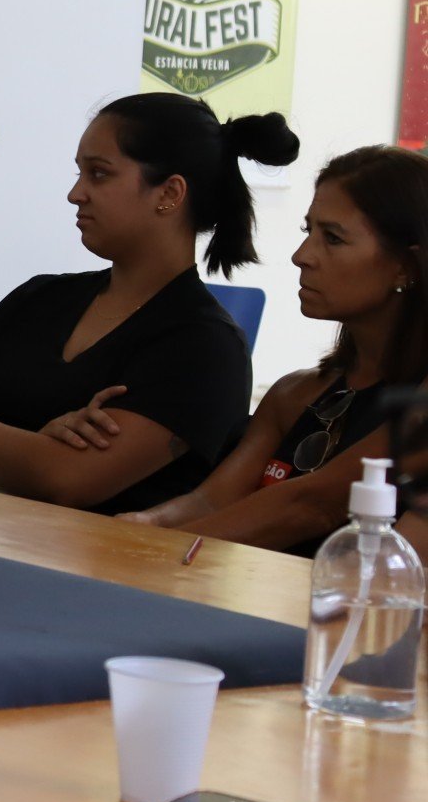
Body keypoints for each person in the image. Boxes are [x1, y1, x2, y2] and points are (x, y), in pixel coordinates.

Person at [0, 93, 299, 514]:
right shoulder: (38, 296)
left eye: (99, 174)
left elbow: (70, 481)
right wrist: (38, 445)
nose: (76, 194)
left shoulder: (205, 345)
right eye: (80, 173)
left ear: (169, 193)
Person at [88, 147, 428, 553]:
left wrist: (158, 550)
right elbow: (210, 501)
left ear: (405, 266)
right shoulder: (294, 394)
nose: (302, 256)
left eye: (333, 238)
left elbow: (311, 504)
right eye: (309, 232)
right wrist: (139, 526)